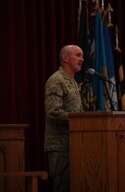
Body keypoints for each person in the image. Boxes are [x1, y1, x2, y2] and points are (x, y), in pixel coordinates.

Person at [44, 44, 84, 192]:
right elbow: (53, 112)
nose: (82, 59)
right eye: (78, 55)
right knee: (63, 187)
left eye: (82, 56)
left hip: (74, 143)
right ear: (65, 58)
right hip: (60, 146)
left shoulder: (72, 81)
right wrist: (80, 121)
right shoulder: (56, 80)